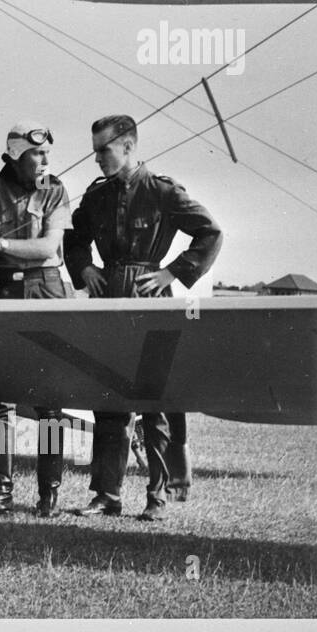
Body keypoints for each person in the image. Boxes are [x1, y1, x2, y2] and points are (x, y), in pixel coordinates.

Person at [64, 114, 223, 521]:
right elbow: (74, 239)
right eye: (96, 150)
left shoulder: (162, 191)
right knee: (108, 399)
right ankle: (106, 495)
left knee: (156, 403)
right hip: (108, 300)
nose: (97, 158)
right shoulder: (96, 196)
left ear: (128, 146)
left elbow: (210, 232)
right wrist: (85, 268)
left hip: (151, 298)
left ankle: (158, 498)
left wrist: (172, 272)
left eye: (104, 150)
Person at [0, 122, 73, 519]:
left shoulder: (54, 190)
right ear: (15, 155)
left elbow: (48, 247)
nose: (44, 160)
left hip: (47, 290)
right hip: (4, 291)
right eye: (37, 153)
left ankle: (49, 494)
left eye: (47, 154)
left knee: (50, 402)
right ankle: (0, 493)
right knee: (0, 401)